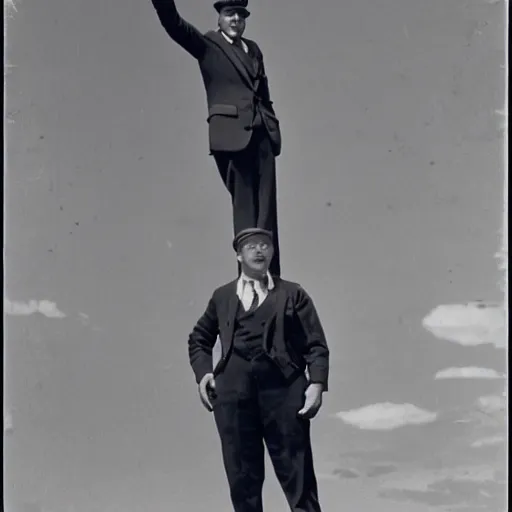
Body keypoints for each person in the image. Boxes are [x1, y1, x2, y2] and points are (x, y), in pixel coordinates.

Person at [188, 228, 329, 512]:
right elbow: (199, 339)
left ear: (272, 252)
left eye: (265, 245)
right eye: (251, 246)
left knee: (299, 479)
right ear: (238, 255)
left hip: (285, 394)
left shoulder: (292, 293)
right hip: (234, 398)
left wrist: (316, 384)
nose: (259, 250)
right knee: (243, 482)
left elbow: (315, 344)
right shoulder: (223, 297)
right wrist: (204, 374)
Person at [150, 0, 283, 276]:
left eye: (240, 15)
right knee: (245, 210)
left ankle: (271, 278)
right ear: (219, 18)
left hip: (262, 137)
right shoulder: (209, 45)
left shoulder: (253, 49)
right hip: (233, 138)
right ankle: (249, 277)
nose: (235, 19)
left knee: (267, 212)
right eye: (229, 14)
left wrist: (271, 127)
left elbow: (264, 92)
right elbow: (175, 25)